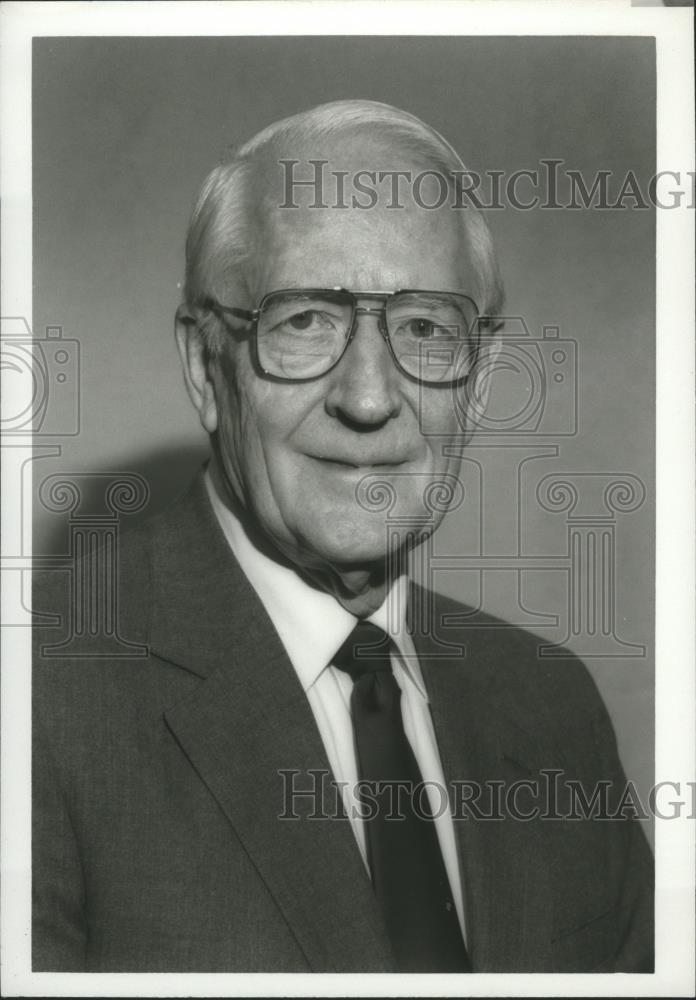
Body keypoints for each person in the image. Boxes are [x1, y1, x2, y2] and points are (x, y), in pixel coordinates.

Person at [32, 99, 653, 973]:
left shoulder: (551, 710)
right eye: (305, 321)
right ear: (205, 367)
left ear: (477, 386)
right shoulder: (38, 695)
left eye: (425, 329)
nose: (367, 398)